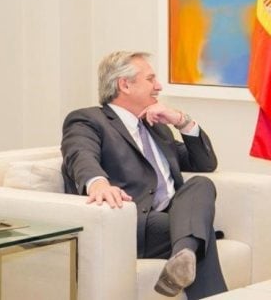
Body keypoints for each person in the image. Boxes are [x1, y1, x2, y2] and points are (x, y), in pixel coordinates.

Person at [61, 51, 227, 298]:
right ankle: (189, 246)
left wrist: (181, 121)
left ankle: (184, 254)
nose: (158, 86)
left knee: (202, 183)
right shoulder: (89, 120)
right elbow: (80, 154)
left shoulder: (156, 126)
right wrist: (98, 183)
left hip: (175, 213)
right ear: (124, 84)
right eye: (151, 79)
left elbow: (205, 162)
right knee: (198, 232)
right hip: (135, 220)